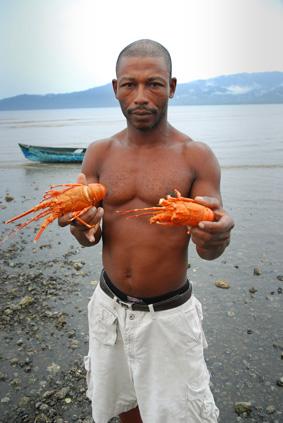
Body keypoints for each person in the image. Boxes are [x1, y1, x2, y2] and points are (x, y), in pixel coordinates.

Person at [59, 39, 234, 423]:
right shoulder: (99, 153)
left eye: (153, 84)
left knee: (179, 413)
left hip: (168, 315)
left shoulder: (195, 156)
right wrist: (82, 227)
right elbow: (90, 235)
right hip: (109, 307)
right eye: (129, 84)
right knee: (124, 403)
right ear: (115, 89)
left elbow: (209, 245)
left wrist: (217, 235)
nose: (140, 96)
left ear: (171, 86)